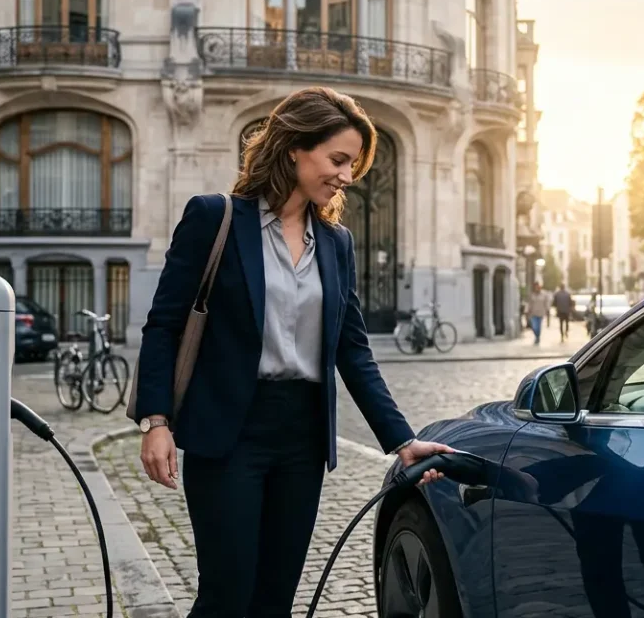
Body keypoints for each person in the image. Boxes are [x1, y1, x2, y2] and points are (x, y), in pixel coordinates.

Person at [133, 87, 453, 618]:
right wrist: (157, 421)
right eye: (338, 160)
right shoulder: (215, 219)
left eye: (353, 164)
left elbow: (353, 350)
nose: (347, 176)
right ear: (293, 149)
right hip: (229, 436)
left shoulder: (336, 243)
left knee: (275, 599)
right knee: (226, 596)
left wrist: (402, 441)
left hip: (301, 441)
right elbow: (164, 324)